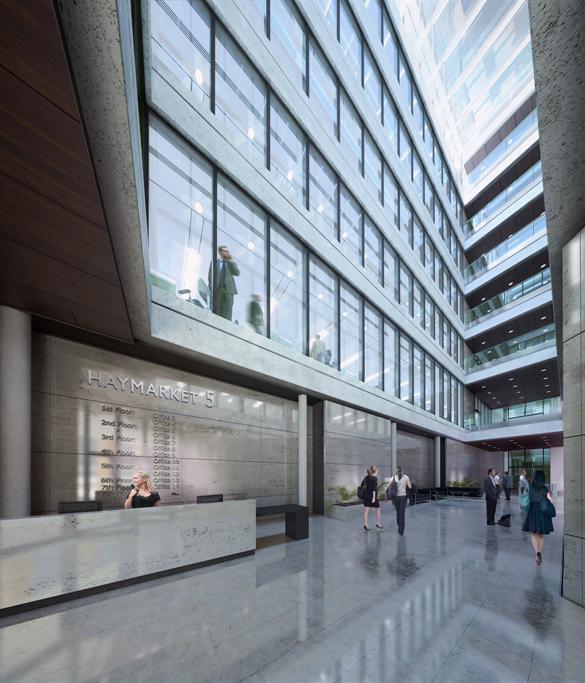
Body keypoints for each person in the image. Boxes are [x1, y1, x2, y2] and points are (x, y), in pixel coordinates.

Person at [522, 469, 554, 565]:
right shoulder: (545, 488)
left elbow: (525, 497)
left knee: (533, 533)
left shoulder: (529, 486)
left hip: (532, 511)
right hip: (543, 512)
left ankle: (537, 553)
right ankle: (540, 552)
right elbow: (550, 500)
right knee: (541, 534)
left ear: (534, 477)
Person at [209, 246, 240, 321]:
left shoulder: (230, 263)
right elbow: (210, 275)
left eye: (228, 252)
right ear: (220, 252)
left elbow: (237, 273)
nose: (227, 253)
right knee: (218, 310)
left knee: (228, 311)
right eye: (225, 251)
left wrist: (231, 261)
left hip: (229, 290)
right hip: (218, 288)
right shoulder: (215, 262)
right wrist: (211, 286)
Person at [388, 465, 412, 536]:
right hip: (403, 498)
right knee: (402, 514)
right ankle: (401, 531)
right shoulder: (406, 477)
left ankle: (399, 525)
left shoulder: (393, 477)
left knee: (398, 512)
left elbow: (388, 486)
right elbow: (410, 487)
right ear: (402, 471)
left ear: (396, 471)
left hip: (395, 498)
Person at [362, 465, 382, 530]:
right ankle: (378, 523)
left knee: (366, 509)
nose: (378, 471)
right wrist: (373, 498)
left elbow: (362, 485)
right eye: (377, 470)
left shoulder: (366, 477)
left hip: (366, 496)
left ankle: (365, 524)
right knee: (378, 509)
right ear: (375, 471)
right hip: (372, 497)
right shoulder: (375, 478)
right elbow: (374, 489)